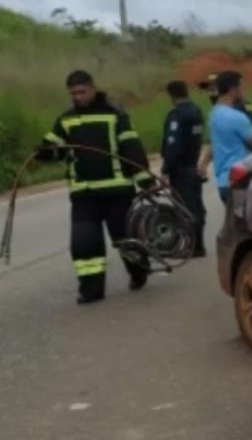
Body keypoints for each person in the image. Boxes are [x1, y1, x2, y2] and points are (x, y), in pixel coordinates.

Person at [36, 70, 154, 304]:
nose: (77, 97)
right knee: (84, 243)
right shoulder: (65, 119)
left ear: (93, 88)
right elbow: (54, 147)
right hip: (84, 194)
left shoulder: (115, 115)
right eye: (73, 93)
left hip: (117, 191)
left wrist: (145, 181)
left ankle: (139, 272)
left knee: (126, 240)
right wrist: (44, 152)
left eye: (81, 92)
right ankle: (91, 290)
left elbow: (131, 148)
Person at [161, 80, 207, 257]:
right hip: (192, 166)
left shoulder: (177, 115)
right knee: (196, 206)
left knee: (184, 207)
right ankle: (198, 245)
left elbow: (174, 145)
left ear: (171, 96)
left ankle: (191, 246)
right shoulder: (196, 111)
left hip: (180, 170)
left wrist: (166, 168)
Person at [208, 71, 252, 204]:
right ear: (232, 89)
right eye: (242, 87)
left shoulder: (214, 113)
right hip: (239, 181)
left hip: (223, 181)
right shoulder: (237, 117)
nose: (244, 91)